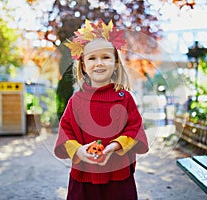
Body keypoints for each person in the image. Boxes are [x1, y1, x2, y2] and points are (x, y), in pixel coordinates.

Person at [54, 19, 149, 200]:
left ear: (115, 63)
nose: (99, 63)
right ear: (83, 65)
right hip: (84, 176)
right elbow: (66, 132)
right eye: (92, 58)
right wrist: (79, 151)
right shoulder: (76, 100)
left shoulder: (125, 98)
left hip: (118, 175)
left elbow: (134, 130)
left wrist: (113, 147)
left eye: (106, 57)